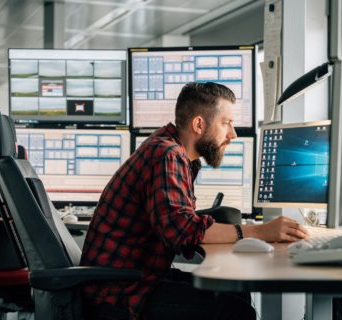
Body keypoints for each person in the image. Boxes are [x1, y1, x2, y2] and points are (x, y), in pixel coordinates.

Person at [80, 82, 309, 320]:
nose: (233, 134)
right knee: (235, 311)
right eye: (226, 123)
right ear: (199, 124)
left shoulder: (171, 149)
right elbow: (182, 231)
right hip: (119, 294)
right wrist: (260, 232)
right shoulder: (167, 154)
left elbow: (179, 221)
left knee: (234, 290)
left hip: (135, 279)